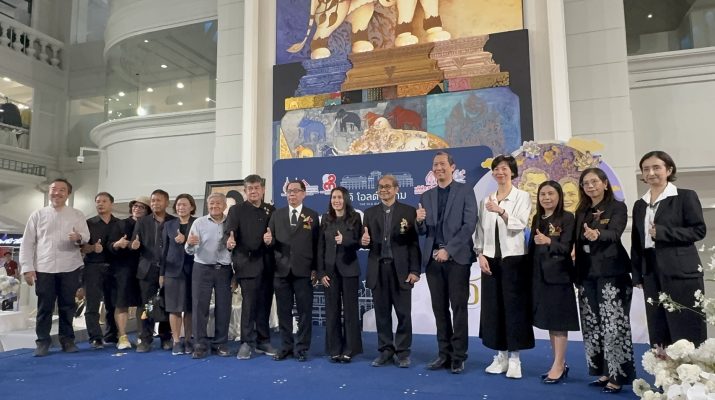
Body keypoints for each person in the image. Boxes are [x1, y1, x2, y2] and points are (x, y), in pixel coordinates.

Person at [631, 151, 707, 347]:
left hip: (680, 271)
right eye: (646, 169)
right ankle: (663, 365)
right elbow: (637, 243)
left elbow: (698, 230)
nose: (651, 173)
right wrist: (637, 274)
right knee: (658, 326)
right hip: (651, 271)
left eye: (656, 167)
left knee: (686, 324)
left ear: (669, 170)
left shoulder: (684, 196)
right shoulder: (640, 204)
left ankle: (690, 366)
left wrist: (663, 232)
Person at [574, 167, 635, 393]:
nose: (590, 186)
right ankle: (603, 371)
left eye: (594, 182)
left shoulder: (617, 207)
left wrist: (597, 234)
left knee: (614, 325)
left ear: (605, 184)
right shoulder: (582, 211)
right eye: (585, 183)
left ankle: (618, 376)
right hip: (586, 274)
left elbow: (615, 233)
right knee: (593, 325)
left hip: (612, 273)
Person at [416, 151, 477, 374]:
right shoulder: (426, 195)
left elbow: (469, 225)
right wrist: (419, 222)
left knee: (458, 308)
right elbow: (424, 230)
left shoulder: (465, 190)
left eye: (442, 164)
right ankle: (444, 353)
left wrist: (448, 250)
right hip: (433, 261)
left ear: (452, 167)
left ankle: (459, 356)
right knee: (439, 309)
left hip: (457, 258)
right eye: (435, 164)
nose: (438, 168)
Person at [19, 178, 90, 356]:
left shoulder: (77, 214)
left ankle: (67, 340)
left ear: (68, 194)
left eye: (62, 190)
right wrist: (27, 267)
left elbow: (86, 236)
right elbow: (27, 243)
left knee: (68, 305)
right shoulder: (38, 214)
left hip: (70, 266)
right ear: (49, 192)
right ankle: (43, 341)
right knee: (45, 307)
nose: (57, 193)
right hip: (44, 266)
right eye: (53, 189)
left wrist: (79, 237)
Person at [476, 155, 533, 379]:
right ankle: (500, 355)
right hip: (491, 259)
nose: (500, 172)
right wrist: (480, 253)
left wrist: (501, 211)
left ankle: (515, 358)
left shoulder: (522, 196)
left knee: (514, 308)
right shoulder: (486, 199)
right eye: (496, 169)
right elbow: (480, 230)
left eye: (504, 168)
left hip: (514, 259)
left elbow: (520, 224)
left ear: (512, 172)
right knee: (494, 308)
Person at [361, 175, 421, 368]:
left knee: (403, 314)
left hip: (401, 271)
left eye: (387, 186)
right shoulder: (369, 213)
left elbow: (413, 244)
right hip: (378, 270)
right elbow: (365, 241)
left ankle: (402, 352)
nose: (383, 190)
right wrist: (364, 241)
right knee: (382, 314)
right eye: (380, 187)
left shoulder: (408, 212)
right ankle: (385, 351)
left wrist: (415, 270)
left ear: (396, 189)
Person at [528, 181, 579, 384]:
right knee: (550, 322)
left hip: (559, 277)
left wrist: (549, 241)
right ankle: (559, 363)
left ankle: (558, 365)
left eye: (551, 194)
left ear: (559, 196)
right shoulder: (537, 218)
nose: (546, 198)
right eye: (543, 194)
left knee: (559, 323)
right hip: (539, 277)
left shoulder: (567, 218)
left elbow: (566, 247)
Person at [265, 180, 320, 362]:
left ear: (304, 194)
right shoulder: (277, 215)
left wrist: (316, 269)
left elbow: (317, 245)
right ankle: (286, 346)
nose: (292, 194)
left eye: (296, 191)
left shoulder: (312, 215)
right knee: (283, 312)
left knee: (305, 312)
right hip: (281, 271)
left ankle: (302, 348)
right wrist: (268, 241)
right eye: (289, 191)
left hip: (304, 271)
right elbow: (271, 241)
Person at [225, 174, 279, 360]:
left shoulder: (271, 210)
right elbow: (229, 232)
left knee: (265, 304)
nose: (254, 191)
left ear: (263, 190)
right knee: (249, 305)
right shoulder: (236, 210)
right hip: (247, 264)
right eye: (250, 188)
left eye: (257, 188)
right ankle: (246, 342)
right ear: (245, 191)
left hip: (268, 264)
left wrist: (271, 240)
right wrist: (229, 241)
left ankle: (263, 340)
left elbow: (277, 236)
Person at [317, 186, 363, 363]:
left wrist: (345, 240)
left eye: (339, 197)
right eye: (333, 197)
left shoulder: (355, 217)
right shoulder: (326, 219)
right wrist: (321, 272)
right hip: (330, 273)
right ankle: (334, 349)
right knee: (332, 311)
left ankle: (350, 349)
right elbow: (320, 247)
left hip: (349, 269)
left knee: (350, 311)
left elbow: (359, 242)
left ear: (346, 199)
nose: (336, 200)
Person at [186, 192, 233, 359]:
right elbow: (189, 249)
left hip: (224, 269)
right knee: (200, 307)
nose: (214, 206)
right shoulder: (199, 223)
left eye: (218, 203)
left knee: (224, 307)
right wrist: (190, 244)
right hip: (202, 268)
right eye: (211, 203)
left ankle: (220, 343)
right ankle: (199, 344)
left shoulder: (231, 222)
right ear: (207, 206)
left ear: (224, 206)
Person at [132, 189, 176, 352]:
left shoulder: (174, 221)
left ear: (167, 203)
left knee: (167, 304)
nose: (155, 203)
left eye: (158, 200)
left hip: (169, 269)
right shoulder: (143, 221)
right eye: (153, 201)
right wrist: (133, 245)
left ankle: (166, 337)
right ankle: (145, 339)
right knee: (147, 305)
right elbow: (134, 241)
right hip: (147, 269)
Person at [108, 195, 149, 350]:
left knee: (144, 304)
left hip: (144, 269)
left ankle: (142, 335)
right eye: (135, 206)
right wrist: (118, 244)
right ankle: (122, 336)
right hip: (123, 269)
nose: (137, 209)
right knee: (121, 303)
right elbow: (109, 245)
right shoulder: (121, 224)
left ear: (147, 210)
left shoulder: (150, 225)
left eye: (142, 207)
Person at [160, 194, 197, 355]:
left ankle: (188, 340)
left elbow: (202, 244)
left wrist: (187, 240)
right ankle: (176, 340)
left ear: (191, 207)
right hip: (172, 270)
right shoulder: (169, 225)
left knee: (190, 308)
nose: (181, 207)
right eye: (178, 204)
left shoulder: (198, 222)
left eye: (184, 204)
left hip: (193, 269)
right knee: (174, 308)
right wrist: (161, 273)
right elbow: (164, 250)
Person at [82, 192, 120, 349]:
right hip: (93, 266)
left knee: (113, 303)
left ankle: (112, 334)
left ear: (111, 204)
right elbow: (81, 247)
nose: (100, 204)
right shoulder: (88, 223)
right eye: (97, 201)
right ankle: (95, 337)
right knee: (92, 304)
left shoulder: (119, 223)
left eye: (104, 201)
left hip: (114, 267)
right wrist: (92, 248)